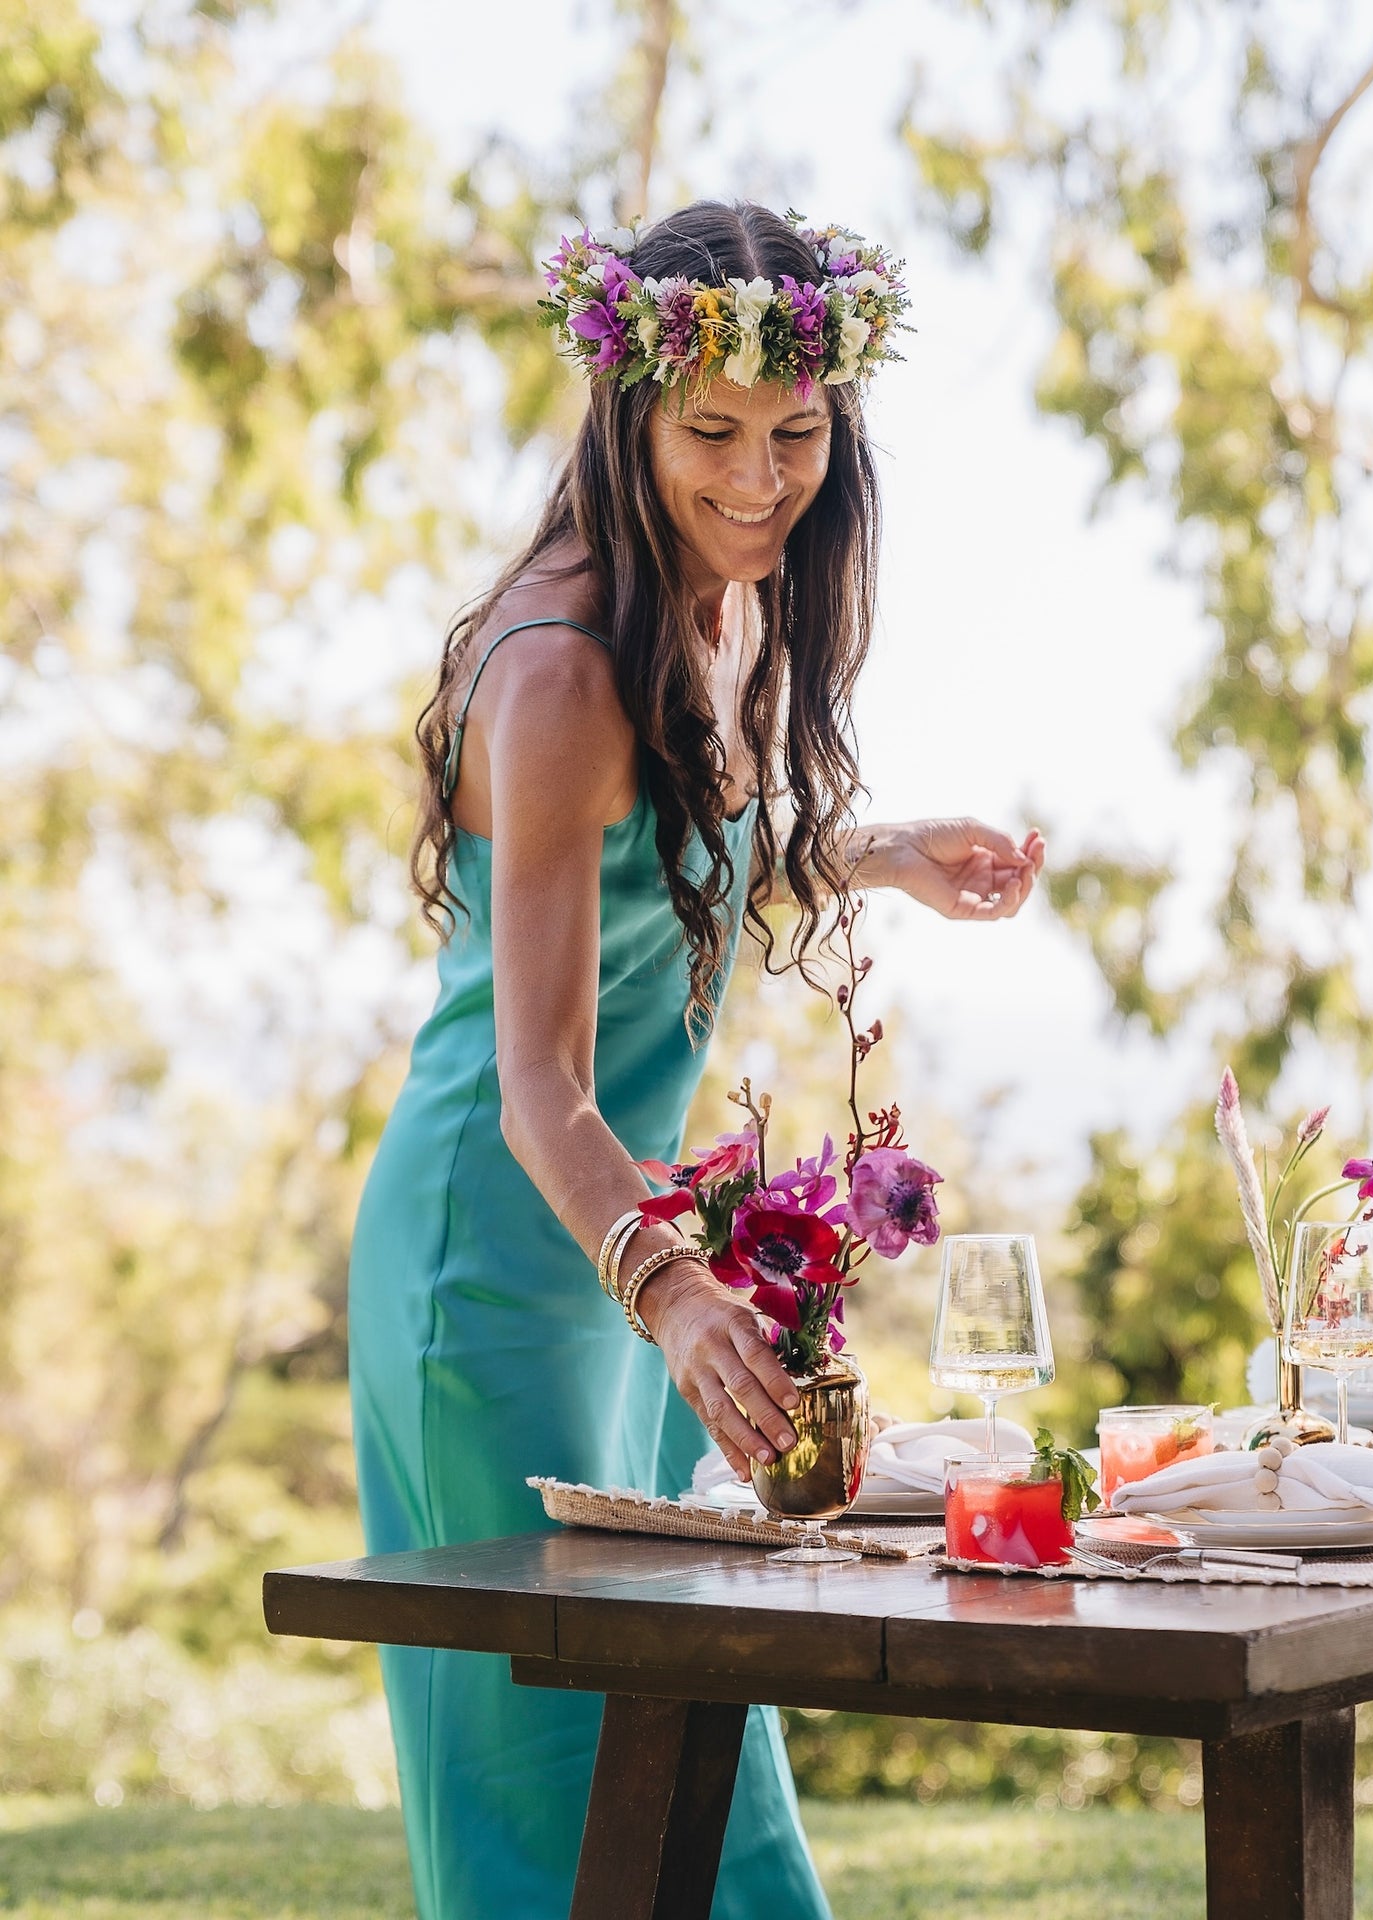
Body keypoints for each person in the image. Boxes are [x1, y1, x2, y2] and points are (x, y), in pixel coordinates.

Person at [348, 198, 1045, 1920]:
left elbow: (672, 880)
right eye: (711, 436)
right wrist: (667, 1287)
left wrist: (875, 853)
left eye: (796, 436)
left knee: (706, 1769)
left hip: (634, 1270)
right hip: (502, 1275)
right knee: (554, 1790)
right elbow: (537, 1082)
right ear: (630, 417)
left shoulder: (722, 611)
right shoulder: (564, 663)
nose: (757, 479)